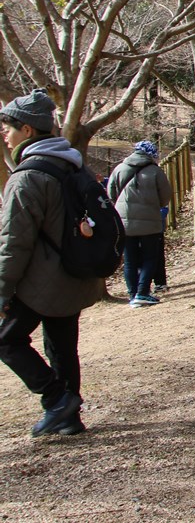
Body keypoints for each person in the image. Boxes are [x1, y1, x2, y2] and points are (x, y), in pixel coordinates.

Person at [0, 89, 103, 437]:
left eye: (8, 126)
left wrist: (2, 291)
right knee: (61, 345)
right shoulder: (74, 165)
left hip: (42, 282)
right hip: (76, 273)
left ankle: (57, 400)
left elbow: (13, 243)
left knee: (5, 339)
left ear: (27, 131)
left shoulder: (27, 177)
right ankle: (68, 416)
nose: (5, 133)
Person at [107, 141, 172, 308]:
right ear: (151, 154)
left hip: (125, 222)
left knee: (129, 260)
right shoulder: (155, 171)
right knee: (150, 257)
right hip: (150, 221)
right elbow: (165, 196)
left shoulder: (119, 169)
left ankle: (132, 294)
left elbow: (111, 193)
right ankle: (143, 292)